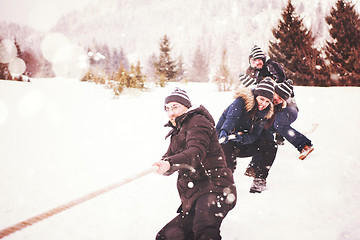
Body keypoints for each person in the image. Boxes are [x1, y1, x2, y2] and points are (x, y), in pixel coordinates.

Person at [153, 87, 237, 240]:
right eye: (167, 108)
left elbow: (195, 153)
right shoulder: (176, 133)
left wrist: (170, 163)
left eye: (175, 106)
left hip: (217, 188)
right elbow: (170, 158)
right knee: (165, 237)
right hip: (194, 197)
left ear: (186, 106)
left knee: (204, 230)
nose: (171, 112)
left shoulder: (198, 121)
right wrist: (163, 165)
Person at [216, 78, 277, 193]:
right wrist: (224, 131)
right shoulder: (241, 102)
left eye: (267, 101)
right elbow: (231, 119)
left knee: (270, 144)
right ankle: (223, 186)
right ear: (255, 96)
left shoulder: (264, 113)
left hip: (241, 141)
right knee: (228, 165)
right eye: (262, 99)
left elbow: (254, 135)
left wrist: (242, 139)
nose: (263, 104)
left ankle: (259, 181)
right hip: (225, 138)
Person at [269, 80, 314, 160]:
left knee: (279, 124)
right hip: (283, 109)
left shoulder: (282, 100)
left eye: (281, 99)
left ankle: (304, 145)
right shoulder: (270, 91)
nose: (278, 100)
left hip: (289, 110)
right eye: (278, 97)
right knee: (269, 127)